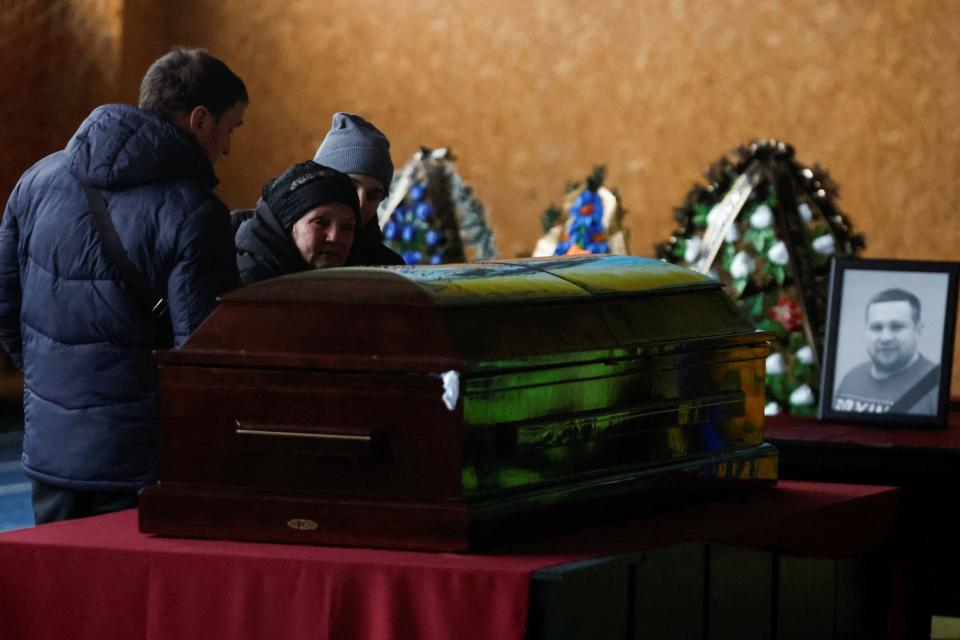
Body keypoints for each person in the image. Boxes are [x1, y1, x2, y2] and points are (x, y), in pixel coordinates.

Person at [0, 47, 247, 524]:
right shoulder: (195, 212)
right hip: (138, 462)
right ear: (200, 120)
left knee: (57, 591)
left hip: (51, 452)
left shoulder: (36, 181)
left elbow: (4, 305)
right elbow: (201, 356)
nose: (229, 148)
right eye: (230, 128)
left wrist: (53, 383)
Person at [235, 161, 361, 285]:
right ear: (286, 225)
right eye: (320, 222)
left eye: (347, 227)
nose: (334, 237)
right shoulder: (254, 285)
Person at [313, 112, 405, 266]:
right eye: (349, 187)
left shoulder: (387, 266)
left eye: (372, 196)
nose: (361, 203)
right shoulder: (274, 252)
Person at [833, 288, 940, 415]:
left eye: (897, 327)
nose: (885, 338)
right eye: (876, 327)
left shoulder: (938, 385)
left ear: (918, 330)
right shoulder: (851, 378)